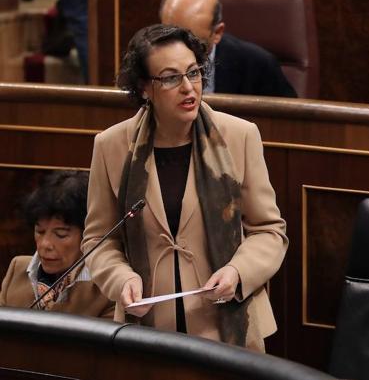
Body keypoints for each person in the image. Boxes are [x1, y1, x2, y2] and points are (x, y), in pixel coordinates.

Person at [81, 24, 288, 351]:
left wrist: (238, 271)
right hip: (147, 329)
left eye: (194, 73)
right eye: (170, 78)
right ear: (144, 87)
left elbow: (268, 230)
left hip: (227, 323)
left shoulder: (239, 136)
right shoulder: (111, 146)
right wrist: (121, 279)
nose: (189, 88)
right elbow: (98, 239)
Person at [0, 171, 114, 318]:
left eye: (61, 234)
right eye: (39, 231)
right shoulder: (17, 269)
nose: (45, 244)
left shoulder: (107, 288)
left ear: (88, 235)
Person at [159, 0, 297, 98]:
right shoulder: (149, 58)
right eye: (171, 38)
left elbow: (290, 125)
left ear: (217, 33)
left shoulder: (259, 66)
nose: (180, 51)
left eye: (192, 43)